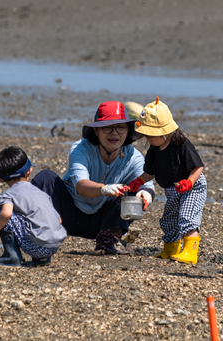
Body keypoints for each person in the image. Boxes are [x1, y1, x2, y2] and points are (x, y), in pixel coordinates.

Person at [31, 101, 155, 255]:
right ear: (96, 131)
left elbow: (147, 183)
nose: (114, 133)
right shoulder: (81, 148)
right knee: (45, 177)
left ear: (128, 130)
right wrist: (104, 189)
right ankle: (44, 234)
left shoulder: (133, 156)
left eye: (121, 127)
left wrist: (147, 194)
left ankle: (107, 242)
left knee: (132, 190)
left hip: (101, 221)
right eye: (107, 127)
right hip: (67, 215)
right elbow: (81, 186)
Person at [128, 98, 207, 264]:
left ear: (163, 132)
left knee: (187, 216)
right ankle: (169, 249)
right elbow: (150, 172)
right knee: (169, 219)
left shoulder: (182, 145)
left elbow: (197, 167)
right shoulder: (154, 149)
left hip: (193, 187)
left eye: (150, 136)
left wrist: (189, 182)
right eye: (146, 136)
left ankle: (190, 252)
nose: (148, 139)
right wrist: (139, 181)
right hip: (172, 190)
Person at [0, 146, 66, 268]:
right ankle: (42, 260)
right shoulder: (41, 193)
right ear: (29, 171)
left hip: (36, 247)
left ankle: (12, 257)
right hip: (54, 246)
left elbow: (6, 214)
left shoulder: (9, 194)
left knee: (0, 213)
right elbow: (59, 220)